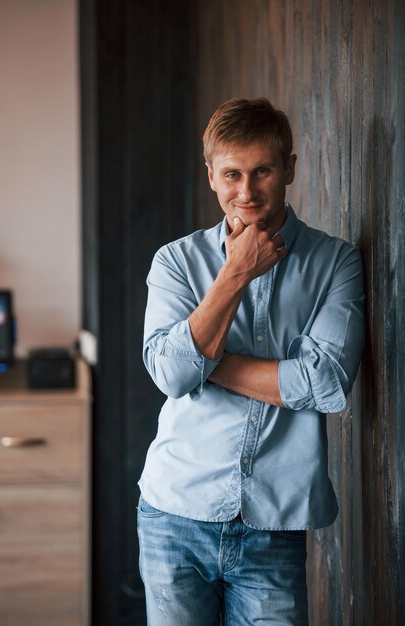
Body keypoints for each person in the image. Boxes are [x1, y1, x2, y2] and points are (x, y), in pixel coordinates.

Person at [137, 97, 365, 626]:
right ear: (212, 176)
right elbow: (171, 375)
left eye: (262, 170)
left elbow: (323, 382)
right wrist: (236, 273)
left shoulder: (336, 262)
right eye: (232, 174)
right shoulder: (175, 262)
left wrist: (204, 360)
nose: (246, 190)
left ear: (289, 167)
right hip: (175, 512)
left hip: (274, 522)